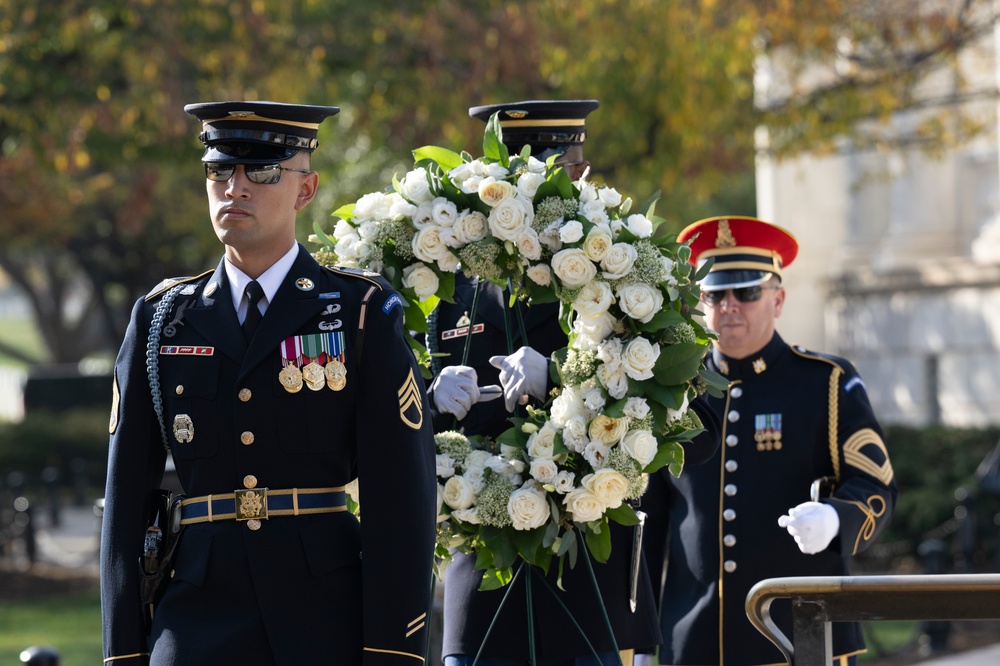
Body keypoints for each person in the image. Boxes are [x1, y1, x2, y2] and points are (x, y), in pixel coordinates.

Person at [100, 101, 437, 665]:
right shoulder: (162, 317)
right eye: (219, 171)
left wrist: (393, 650)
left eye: (261, 173)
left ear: (305, 191)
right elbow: (124, 499)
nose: (235, 188)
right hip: (196, 620)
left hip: (325, 617)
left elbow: (401, 499)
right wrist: (123, 653)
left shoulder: (358, 312)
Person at [434, 100, 720, 666]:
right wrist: (432, 393)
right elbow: (400, 417)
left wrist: (565, 374)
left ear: (581, 179)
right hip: (484, 590)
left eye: (557, 177)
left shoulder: (626, 274)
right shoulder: (457, 286)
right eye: (520, 180)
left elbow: (702, 427)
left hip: (590, 585)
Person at [642, 215, 898, 666]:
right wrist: (644, 641)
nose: (730, 305)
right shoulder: (674, 390)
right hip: (695, 642)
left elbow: (876, 487)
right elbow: (654, 520)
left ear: (777, 300)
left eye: (747, 291)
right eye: (715, 294)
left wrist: (836, 519)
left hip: (803, 637)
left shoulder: (827, 384)